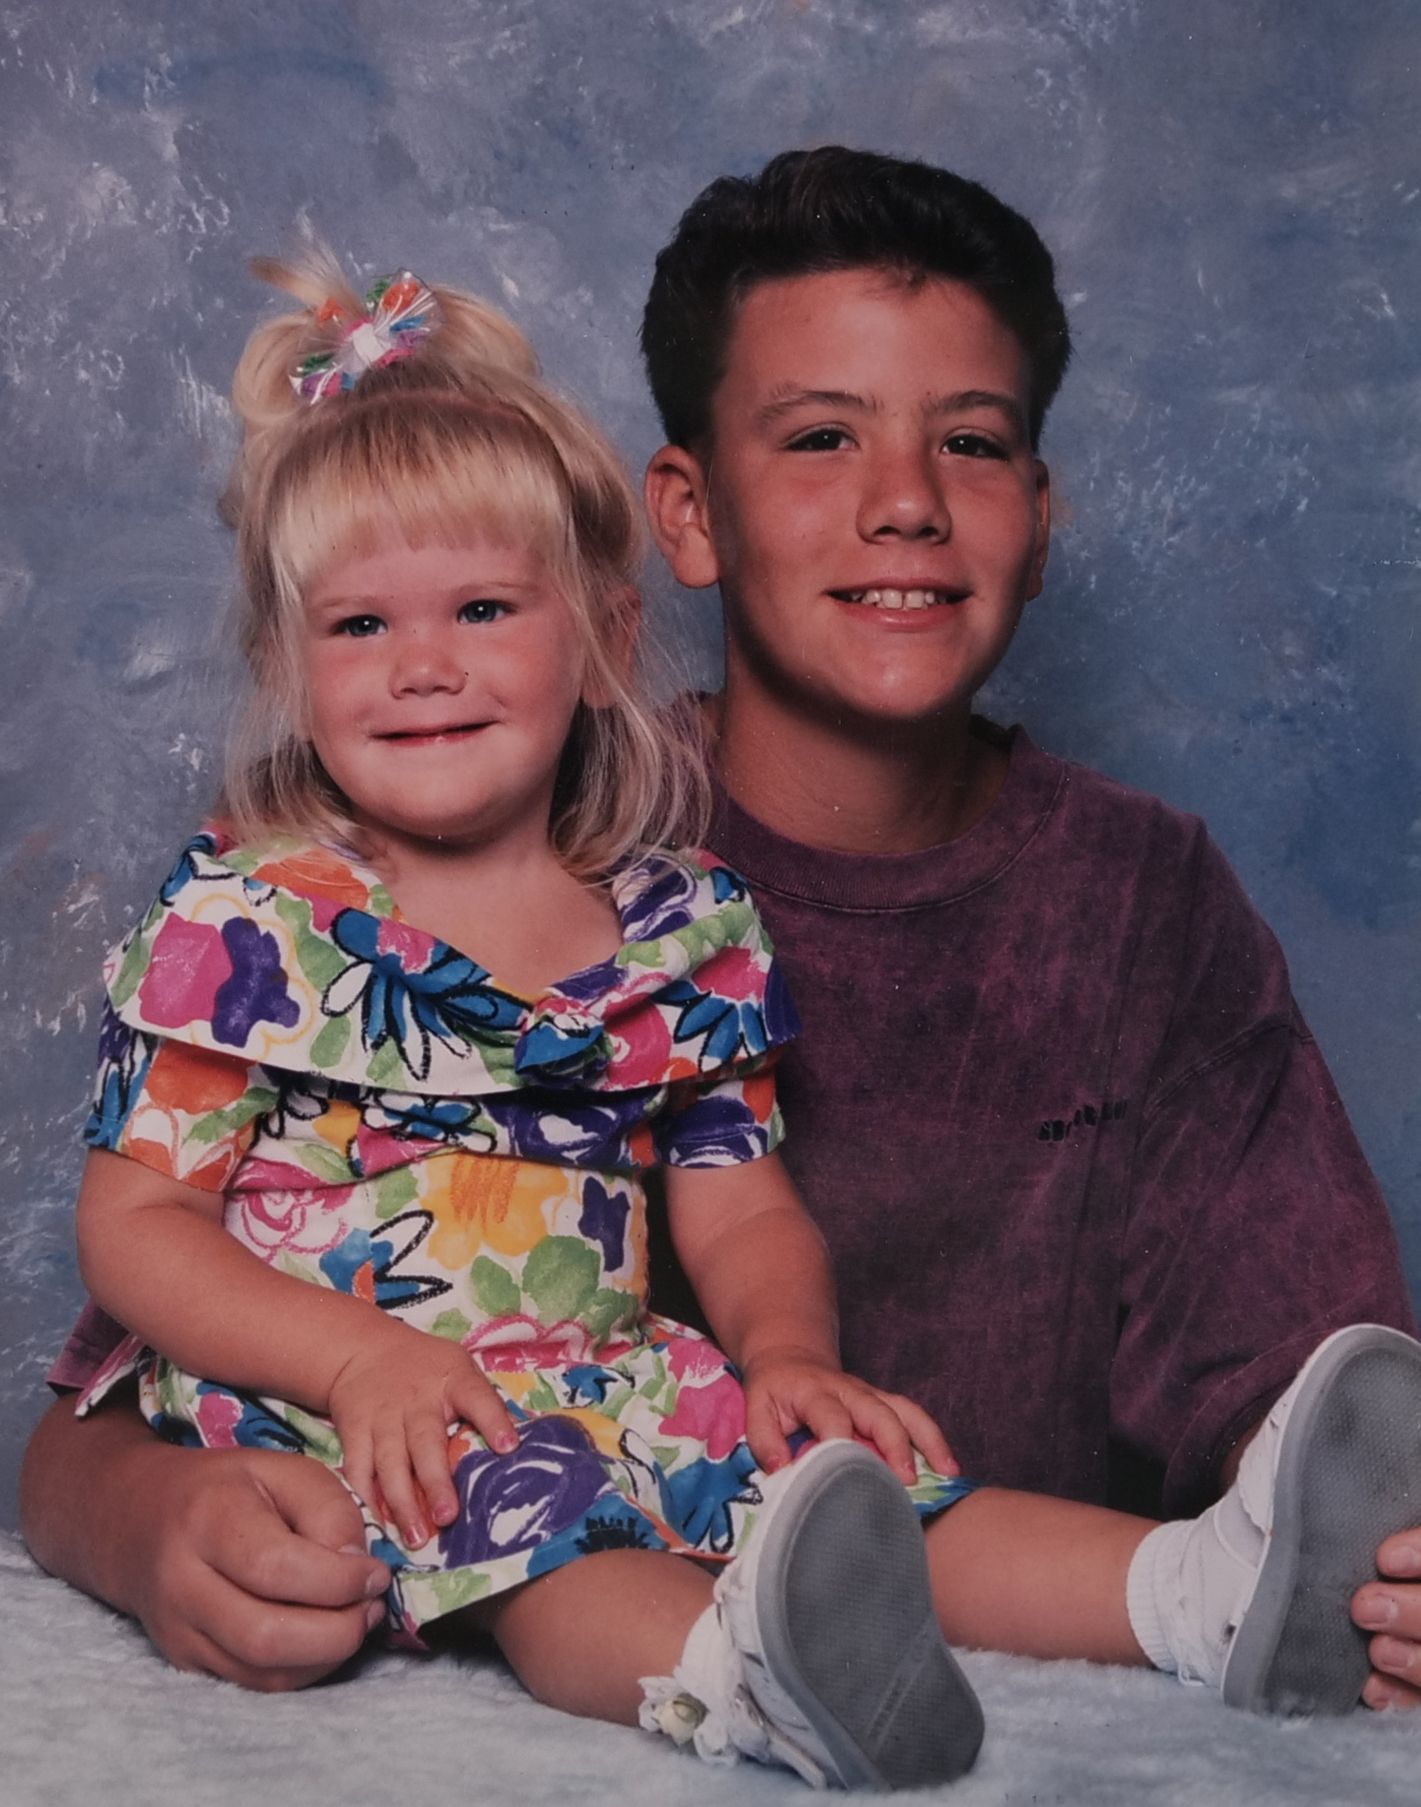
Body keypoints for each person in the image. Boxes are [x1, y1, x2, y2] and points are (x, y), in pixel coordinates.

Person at [21, 150, 1421, 1716]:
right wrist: (232, 1452)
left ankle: (1192, 1593)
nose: (425, 667)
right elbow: (135, 1277)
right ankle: (742, 1684)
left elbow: (748, 1210)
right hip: (405, 1427)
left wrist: (790, 1354)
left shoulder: (699, 925)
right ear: (680, 516)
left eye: (968, 441)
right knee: (557, 1539)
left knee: (862, 1484)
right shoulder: (268, 912)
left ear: (593, 631)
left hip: (633, 1392)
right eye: (821, 435)